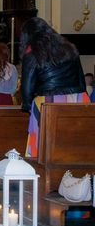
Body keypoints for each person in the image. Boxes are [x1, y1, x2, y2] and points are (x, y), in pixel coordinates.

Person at [20, 17, 89, 158]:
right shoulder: (69, 47)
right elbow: (81, 79)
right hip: (77, 99)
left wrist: (28, 106)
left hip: (48, 102)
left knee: (45, 148)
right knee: (75, 144)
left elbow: (27, 88)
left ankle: (43, 174)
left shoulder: (32, 54)